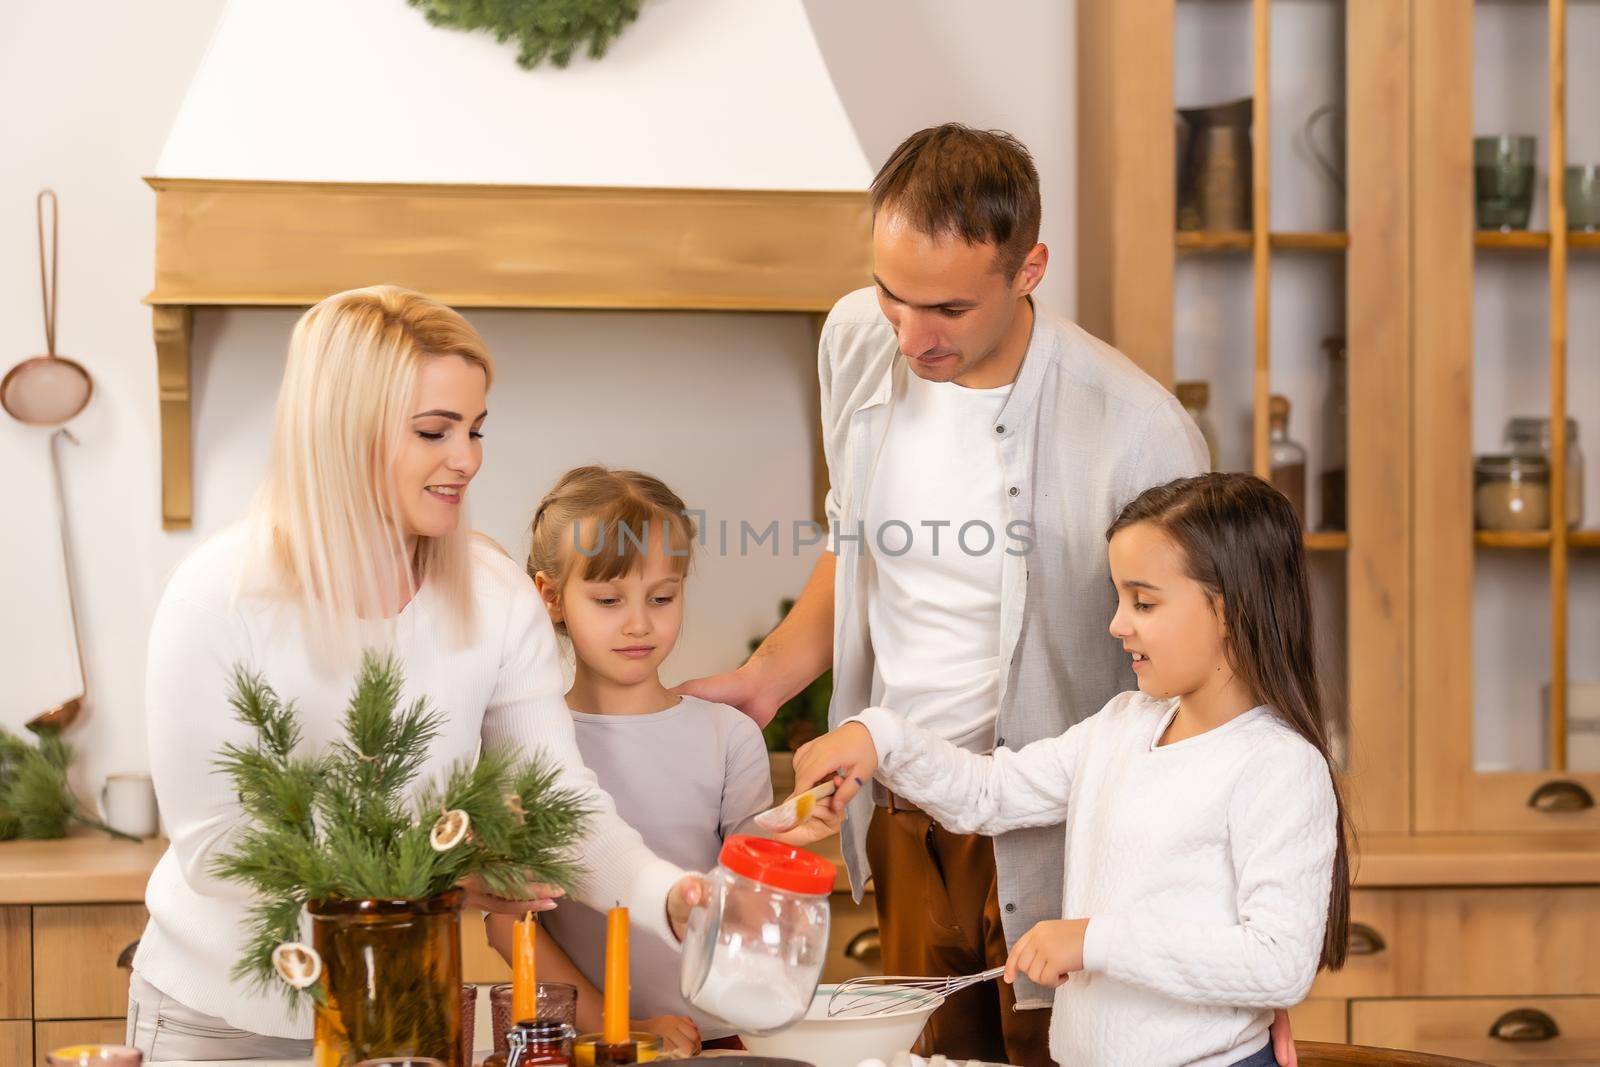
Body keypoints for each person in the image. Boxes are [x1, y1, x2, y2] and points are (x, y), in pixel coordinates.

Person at [678, 123, 1211, 1064]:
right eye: (894, 294)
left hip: (1061, 833)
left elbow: (1192, 666)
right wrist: (768, 677)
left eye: (951, 309)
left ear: (1029, 268)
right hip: (904, 818)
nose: (914, 336)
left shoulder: (1137, 432)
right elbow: (856, 541)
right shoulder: (854, 338)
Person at [130, 287, 703, 1061]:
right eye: (434, 430)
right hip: (223, 1027)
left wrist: (666, 894)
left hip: (409, 1015)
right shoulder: (219, 595)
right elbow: (221, 848)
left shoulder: (494, 593)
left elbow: (559, 797)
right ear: (345, 430)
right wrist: (436, 875)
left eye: (474, 428)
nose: (465, 457)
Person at [792, 473, 1351, 1067]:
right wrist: (877, 737)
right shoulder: (1122, 726)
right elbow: (991, 792)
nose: (1117, 624)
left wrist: (1091, 940)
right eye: (1120, 599)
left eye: (1144, 602)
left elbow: (1277, 963)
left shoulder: (1278, 766)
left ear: (1232, 610)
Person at [483, 466, 839, 1054]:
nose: (639, 623)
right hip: (587, 1045)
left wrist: (789, 839)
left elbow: (746, 913)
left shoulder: (728, 736)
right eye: (607, 599)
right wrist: (613, 1024)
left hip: (721, 1042)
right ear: (550, 597)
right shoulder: (525, 745)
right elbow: (509, 923)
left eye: (662, 596)